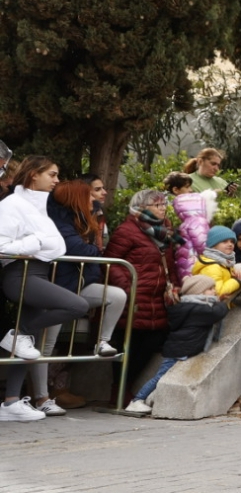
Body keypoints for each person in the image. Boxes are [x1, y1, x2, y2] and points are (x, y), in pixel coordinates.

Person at [0, 157, 89, 422]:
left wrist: (38, 243)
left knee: (26, 344)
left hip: (36, 274)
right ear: (33, 175)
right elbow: (2, 246)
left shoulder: (36, 207)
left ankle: (11, 402)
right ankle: (17, 334)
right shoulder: (12, 204)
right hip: (21, 276)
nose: (57, 180)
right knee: (78, 305)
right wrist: (36, 242)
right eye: (52, 174)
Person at [30, 181, 128, 415]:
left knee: (116, 295)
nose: (95, 199)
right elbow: (75, 248)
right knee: (46, 346)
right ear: (76, 200)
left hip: (77, 285)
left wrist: (92, 250)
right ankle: (41, 398)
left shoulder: (83, 219)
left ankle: (102, 342)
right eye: (89, 195)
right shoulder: (58, 219)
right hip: (55, 289)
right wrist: (94, 250)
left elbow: (88, 250)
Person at [105, 189, 181, 406]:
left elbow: (170, 262)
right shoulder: (127, 230)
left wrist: (174, 285)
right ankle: (119, 391)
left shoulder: (165, 231)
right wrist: (127, 286)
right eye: (157, 205)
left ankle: (124, 388)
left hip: (158, 299)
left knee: (152, 341)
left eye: (164, 204)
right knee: (129, 344)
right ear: (141, 208)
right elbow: (111, 262)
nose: (163, 208)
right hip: (134, 297)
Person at [124, 275, 229, 416]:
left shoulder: (184, 306)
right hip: (180, 350)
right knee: (160, 376)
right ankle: (137, 400)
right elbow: (217, 313)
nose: (214, 291)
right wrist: (222, 303)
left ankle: (143, 399)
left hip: (177, 347)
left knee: (161, 376)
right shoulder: (197, 309)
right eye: (210, 289)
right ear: (199, 291)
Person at [166, 172, 212, 279]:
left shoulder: (174, 213)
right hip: (196, 267)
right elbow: (203, 244)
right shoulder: (195, 218)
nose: (191, 190)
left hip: (184, 265)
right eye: (187, 187)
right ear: (175, 190)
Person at [192, 227, 241, 297]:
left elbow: (224, 274)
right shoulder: (212, 267)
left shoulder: (223, 261)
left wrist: (234, 272)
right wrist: (236, 281)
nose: (230, 244)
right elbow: (217, 293)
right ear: (213, 245)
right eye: (225, 241)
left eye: (232, 241)